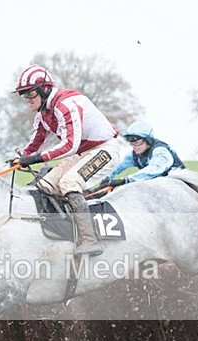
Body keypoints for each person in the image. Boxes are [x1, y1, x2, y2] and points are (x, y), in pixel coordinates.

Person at [13, 65, 120, 256]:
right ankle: (59, 234)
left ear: (44, 89)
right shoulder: (42, 115)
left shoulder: (65, 105)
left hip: (105, 149)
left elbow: (70, 144)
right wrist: (20, 158)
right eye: (23, 95)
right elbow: (36, 143)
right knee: (44, 185)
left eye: (30, 94)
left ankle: (89, 239)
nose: (27, 100)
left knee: (69, 182)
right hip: (81, 153)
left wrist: (36, 158)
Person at [96, 120, 185, 190]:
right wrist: (107, 178)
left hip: (180, 186)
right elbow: (119, 166)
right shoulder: (134, 154)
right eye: (132, 143)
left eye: (137, 143)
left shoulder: (160, 151)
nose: (134, 147)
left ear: (148, 141)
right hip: (161, 185)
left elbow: (154, 169)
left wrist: (124, 180)